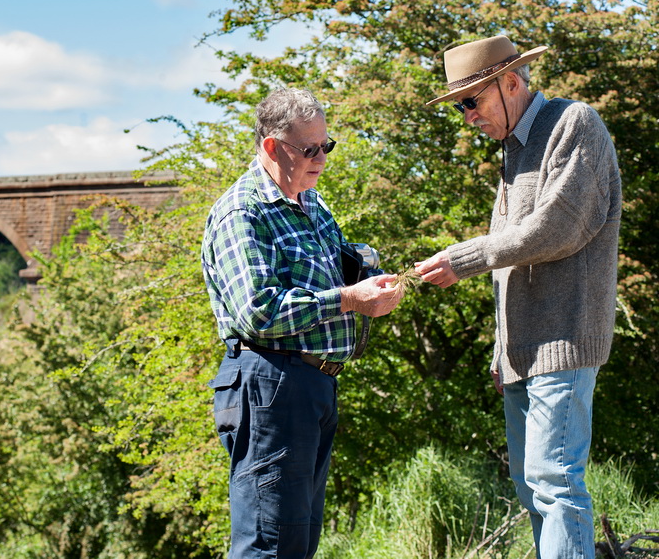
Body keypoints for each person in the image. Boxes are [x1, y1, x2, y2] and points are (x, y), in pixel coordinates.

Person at [415, 35, 622, 559]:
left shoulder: (575, 125)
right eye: (460, 106)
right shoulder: (513, 150)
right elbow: (512, 268)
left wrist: (462, 258)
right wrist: (500, 349)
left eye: (472, 101)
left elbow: (557, 229)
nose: (466, 116)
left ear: (511, 82)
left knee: (555, 485)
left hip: (563, 343)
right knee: (533, 492)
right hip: (521, 354)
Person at [202, 87, 402, 558]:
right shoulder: (243, 211)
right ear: (272, 147)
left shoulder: (314, 204)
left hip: (312, 386)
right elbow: (259, 310)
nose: (321, 158)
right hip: (269, 383)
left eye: (325, 146)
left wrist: (376, 281)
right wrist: (351, 299)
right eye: (308, 149)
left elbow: (337, 272)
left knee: (297, 544)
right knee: (268, 545)